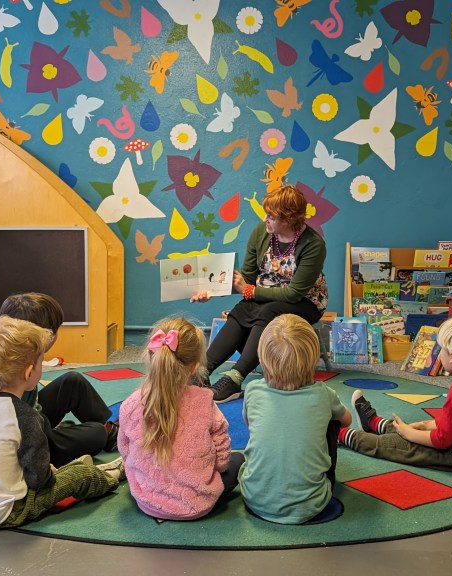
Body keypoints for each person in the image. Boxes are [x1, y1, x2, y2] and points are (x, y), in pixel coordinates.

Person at [0, 316, 124, 529]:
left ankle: (79, 467)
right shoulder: (25, 416)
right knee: (81, 475)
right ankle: (111, 476)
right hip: (10, 511)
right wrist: (48, 473)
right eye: (41, 361)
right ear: (29, 372)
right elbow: (39, 480)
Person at [191, 184, 328, 403]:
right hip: (260, 297)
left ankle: (235, 378)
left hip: (305, 302)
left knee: (269, 310)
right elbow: (245, 277)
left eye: (272, 216)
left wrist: (250, 291)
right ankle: (202, 372)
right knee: (242, 309)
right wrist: (211, 291)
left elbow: (293, 293)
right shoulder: (260, 233)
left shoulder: (313, 244)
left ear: (290, 219)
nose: (266, 219)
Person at [340, 316, 452, 473]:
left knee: (390, 444)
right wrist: (426, 425)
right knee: (410, 427)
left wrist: (410, 434)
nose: (439, 353)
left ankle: (338, 434)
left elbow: (443, 440)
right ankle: (375, 424)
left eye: (441, 349)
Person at [117, 316, 244, 520]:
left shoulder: (131, 403)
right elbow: (222, 460)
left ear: (151, 357)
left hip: (146, 498)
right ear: (194, 366)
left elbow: (125, 450)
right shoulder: (204, 401)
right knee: (239, 460)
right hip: (197, 504)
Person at [239, 314, 351, 524]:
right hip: (313, 504)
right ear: (313, 358)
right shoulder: (323, 393)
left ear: (263, 357)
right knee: (333, 421)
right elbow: (347, 421)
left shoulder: (253, 390)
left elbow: (249, 423)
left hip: (254, 499)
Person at [0, 293, 119, 467]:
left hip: (33, 420)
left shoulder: (6, 355)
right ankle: (106, 433)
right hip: (30, 443)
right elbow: (27, 431)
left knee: (72, 381)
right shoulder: (24, 369)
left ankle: (110, 432)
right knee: (96, 433)